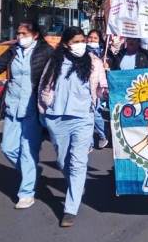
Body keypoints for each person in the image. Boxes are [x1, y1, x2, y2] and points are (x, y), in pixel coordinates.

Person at [39, 27, 107, 227]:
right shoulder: (55, 61)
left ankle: (70, 208)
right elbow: (45, 85)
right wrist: (45, 109)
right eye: (76, 41)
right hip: (57, 117)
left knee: (78, 163)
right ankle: (75, 186)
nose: (81, 44)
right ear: (67, 43)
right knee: (63, 161)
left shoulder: (94, 62)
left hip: (83, 119)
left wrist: (105, 88)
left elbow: (103, 87)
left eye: (83, 40)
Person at [0, 20, 53, 210]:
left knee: (28, 152)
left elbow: (56, 73)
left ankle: (26, 193)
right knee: (8, 148)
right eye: (18, 34)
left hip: (32, 108)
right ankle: (30, 172)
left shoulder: (45, 52)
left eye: (23, 33)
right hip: (12, 107)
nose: (20, 37)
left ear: (35, 35)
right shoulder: (13, 51)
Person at [86, 30, 110, 150]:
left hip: (97, 90)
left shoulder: (104, 55)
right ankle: (88, 143)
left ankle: (103, 135)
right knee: (87, 117)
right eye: (90, 37)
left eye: (95, 38)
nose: (91, 40)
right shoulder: (82, 53)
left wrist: (107, 67)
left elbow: (104, 76)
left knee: (96, 115)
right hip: (84, 90)